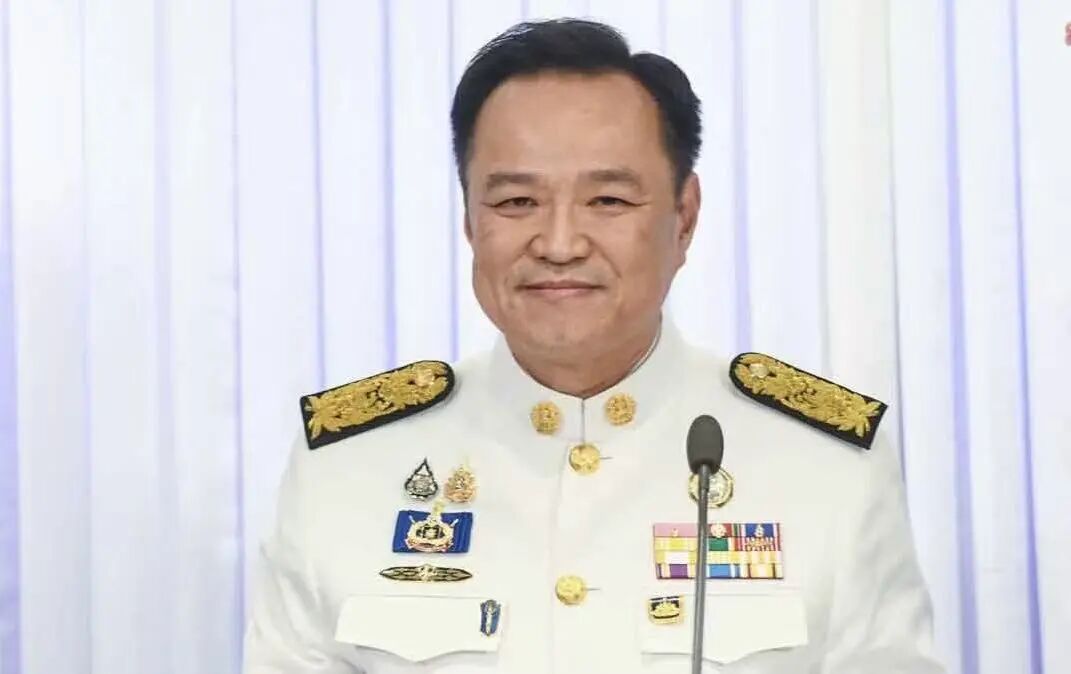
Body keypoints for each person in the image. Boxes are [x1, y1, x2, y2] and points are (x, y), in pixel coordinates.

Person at [244, 18, 944, 673]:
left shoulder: (826, 469)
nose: (558, 244)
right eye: (515, 202)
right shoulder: (345, 471)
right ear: (469, 222)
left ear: (684, 218)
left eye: (608, 201)